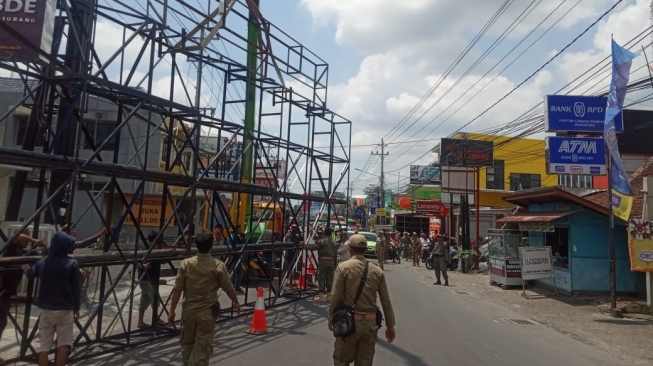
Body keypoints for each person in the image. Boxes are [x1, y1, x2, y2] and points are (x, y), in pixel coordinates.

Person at [168, 232, 242, 366]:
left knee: (187, 345)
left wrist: (171, 311)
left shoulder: (186, 264)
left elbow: (177, 290)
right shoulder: (218, 266)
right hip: (206, 314)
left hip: (188, 314)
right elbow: (228, 288)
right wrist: (236, 303)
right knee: (202, 349)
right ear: (211, 247)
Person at [329, 234, 396, 366]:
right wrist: (390, 326)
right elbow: (385, 300)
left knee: (342, 360)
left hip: (349, 323)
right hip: (370, 326)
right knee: (365, 363)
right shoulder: (377, 270)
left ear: (350, 249)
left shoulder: (344, 267)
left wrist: (331, 317)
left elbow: (335, 296)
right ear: (365, 250)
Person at [23, 232, 81, 366]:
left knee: (44, 347)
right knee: (63, 345)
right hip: (65, 309)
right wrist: (76, 308)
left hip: (46, 309)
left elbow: (31, 273)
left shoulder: (43, 261)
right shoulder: (72, 263)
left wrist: (25, 267)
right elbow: (76, 289)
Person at [1, 230, 45, 366]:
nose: (26, 242)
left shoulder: (24, 252)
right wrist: (35, 240)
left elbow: (40, 255)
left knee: (2, 323)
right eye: (25, 239)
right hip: (1, 291)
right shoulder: (11, 248)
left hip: (7, 292)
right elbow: (18, 236)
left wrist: (43, 248)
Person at [303, 228, 338, 301]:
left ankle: (321, 296)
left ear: (324, 233)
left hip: (323, 261)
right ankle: (329, 295)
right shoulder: (334, 243)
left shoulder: (321, 241)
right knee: (330, 278)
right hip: (331, 261)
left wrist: (304, 245)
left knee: (321, 278)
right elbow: (335, 254)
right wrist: (335, 264)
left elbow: (313, 248)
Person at [137, 231, 163, 328]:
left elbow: (138, 261)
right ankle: (156, 318)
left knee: (145, 298)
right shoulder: (154, 249)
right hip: (149, 279)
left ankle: (140, 321)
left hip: (142, 278)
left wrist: (142, 265)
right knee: (154, 298)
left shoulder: (143, 247)